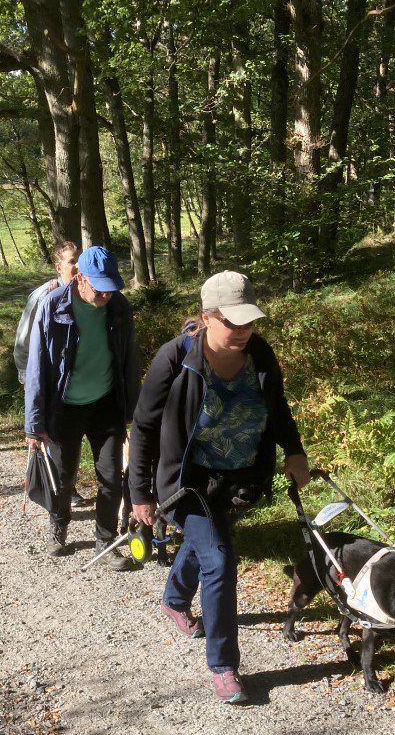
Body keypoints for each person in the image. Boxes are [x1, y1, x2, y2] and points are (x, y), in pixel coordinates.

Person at [128, 271, 311, 704]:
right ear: (207, 317)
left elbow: (276, 405)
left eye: (249, 321)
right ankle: (224, 665)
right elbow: (144, 426)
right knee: (221, 558)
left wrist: (294, 450)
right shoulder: (175, 359)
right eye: (233, 322)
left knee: (209, 544)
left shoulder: (260, 354)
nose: (244, 331)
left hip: (239, 477)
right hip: (187, 482)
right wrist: (139, 492)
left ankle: (174, 600)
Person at [24, 246, 141, 571]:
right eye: (99, 284)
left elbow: (130, 359)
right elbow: (37, 366)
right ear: (80, 277)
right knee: (63, 476)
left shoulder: (118, 306)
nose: (106, 292)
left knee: (111, 478)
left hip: (106, 403)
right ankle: (58, 527)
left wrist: (134, 412)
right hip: (65, 406)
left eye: (111, 285)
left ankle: (106, 541)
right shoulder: (53, 305)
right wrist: (34, 423)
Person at [14, 241, 84, 506]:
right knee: (50, 437)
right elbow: (23, 342)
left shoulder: (88, 293)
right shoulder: (43, 296)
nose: (77, 266)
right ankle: (51, 490)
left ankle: (67, 486)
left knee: (68, 441)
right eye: (72, 261)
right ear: (59, 267)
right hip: (47, 379)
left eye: (80, 260)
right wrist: (25, 376)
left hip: (78, 381)